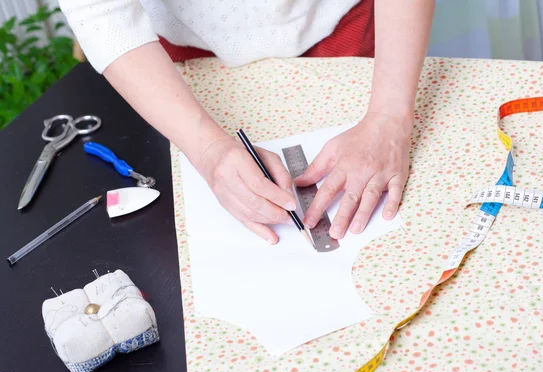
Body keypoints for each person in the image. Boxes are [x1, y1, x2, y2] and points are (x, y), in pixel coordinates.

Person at [58, 0, 435, 245]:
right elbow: (99, 13)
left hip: (340, 27)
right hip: (178, 61)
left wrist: (389, 116)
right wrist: (208, 151)